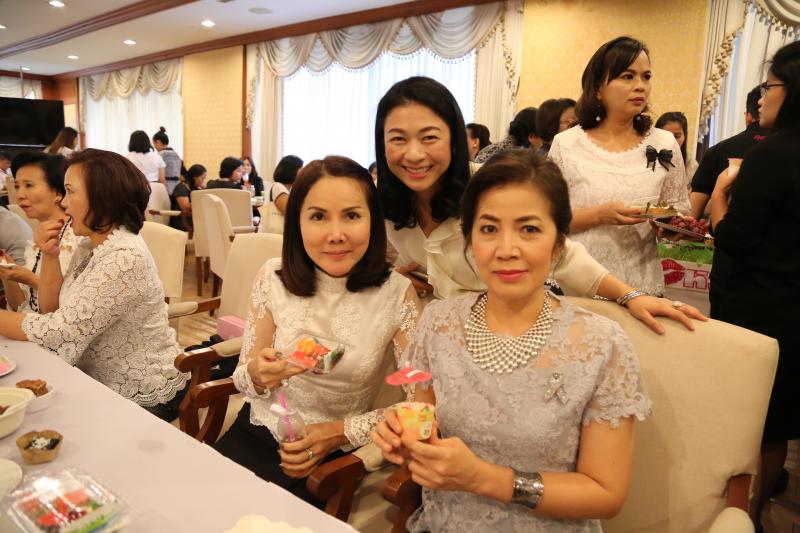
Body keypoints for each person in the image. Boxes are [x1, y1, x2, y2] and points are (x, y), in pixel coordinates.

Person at [373, 150, 651, 532]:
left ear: (558, 244)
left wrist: (483, 478)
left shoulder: (601, 344)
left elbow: (606, 494)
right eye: (489, 229)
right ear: (469, 240)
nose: (506, 250)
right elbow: (425, 429)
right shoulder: (439, 323)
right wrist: (404, 440)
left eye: (529, 229)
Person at [376, 76, 704, 334]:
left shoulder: (490, 187)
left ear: (455, 140)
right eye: (398, 139)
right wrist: (395, 277)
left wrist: (630, 295)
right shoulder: (382, 204)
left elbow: (562, 254)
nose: (414, 154)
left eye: (429, 137)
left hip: (510, 329)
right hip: (438, 336)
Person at [214, 156, 422, 507]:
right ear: (297, 222)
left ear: (373, 221)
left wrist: (338, 432)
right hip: (258, 431)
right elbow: (243, 377)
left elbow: (420, 407)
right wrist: (258, 375)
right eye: (318, 217)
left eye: (352, 216)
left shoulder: (397, 294)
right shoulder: (272, 277)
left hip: (332, 458)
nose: (336, 234)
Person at [0, 149, 187, 421]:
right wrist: (50, 255)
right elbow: (51, 310)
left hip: (142, 392)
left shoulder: (124, 257)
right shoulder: (89, 246)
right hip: (94, 380)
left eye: (70, 192)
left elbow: (60, 333)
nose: (63, 203)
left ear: (102, 197)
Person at [708, 41, 800, 531]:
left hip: (763, 311)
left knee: (754, 423)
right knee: (779, 422)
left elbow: (736, 238)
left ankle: (744, 518)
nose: (762, 97)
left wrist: (720, 198)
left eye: (770, 86)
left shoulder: (774, 154)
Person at [548, 37, 690, 296]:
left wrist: (671, 227)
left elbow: (676, 209)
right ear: (598, 89)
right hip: (577, 286)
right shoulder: (566, 144)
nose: (640, 86)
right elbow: (546, 221)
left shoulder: (664, 143)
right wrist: (599, 215)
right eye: (627, 76)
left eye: (646, 77)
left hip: (641, 285)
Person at [0, 153, 79, 313]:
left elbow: (73, 307)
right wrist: (7, 274)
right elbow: (20, 306)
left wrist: (30, 279)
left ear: (57, 193)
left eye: (29, 185)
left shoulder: (77, 236)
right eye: (17, 186)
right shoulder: (37, 237)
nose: (20, 195)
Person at [690, 85, 769, 218]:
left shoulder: (717, 150)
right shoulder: (789, 150)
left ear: (748, 116)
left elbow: (692, 214)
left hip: (723, 228)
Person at [475, 107, 542, 163]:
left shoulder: (488, 149)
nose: (542, 141)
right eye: (541, 135)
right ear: (531, 137)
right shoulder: (522, 161)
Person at [655, 111, 698, 188]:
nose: (672, 141)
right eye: (665, 136)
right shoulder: (647, 159)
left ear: (684, 136)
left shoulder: (691, 165)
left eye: (677, 136)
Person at [170, 163, 206, 231]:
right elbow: (186, 209)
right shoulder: (181, 188)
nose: (203, 181)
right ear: (194, 177)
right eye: (202, 178)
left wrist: (204, 191)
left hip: (191, 220)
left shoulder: (194, 188)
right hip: (181, 222)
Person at [152, 127, 183, 195]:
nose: (154, 147)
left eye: (154, 144)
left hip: (166, 188)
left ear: (158, 142)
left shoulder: (159, 156)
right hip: (178, 188)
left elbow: (157, 174)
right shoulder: (176, 154)